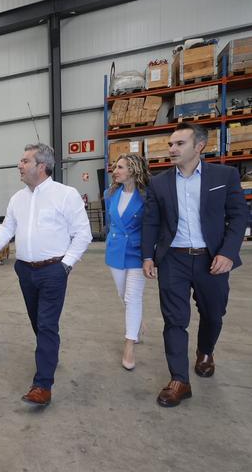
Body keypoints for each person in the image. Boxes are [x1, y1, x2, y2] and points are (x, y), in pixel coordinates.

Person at [142, 122, 246, 408]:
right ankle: (179, 380)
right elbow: (151, 221)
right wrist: (148, 256)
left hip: (211, 258)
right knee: (174, 320)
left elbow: (238, 217)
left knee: (214, 313)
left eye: (179, 144)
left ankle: (205, 350)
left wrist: (227, 252)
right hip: (173, 258)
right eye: (171, 144)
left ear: (199, 146)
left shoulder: (224, 175)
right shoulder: (159, 182)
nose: (172, 148)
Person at [0, 143, 92, 406]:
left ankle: (42, 385)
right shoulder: (18, 198)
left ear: (41, 167)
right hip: (25, 271)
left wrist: (66, 265)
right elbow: (7, 227)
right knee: (37, 321)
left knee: (45, 324)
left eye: (24, 161)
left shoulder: (66, 195)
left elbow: (83, 234)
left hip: (54, 270)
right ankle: (50, 355)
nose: (19, 165)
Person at [104, 153, 151, 370]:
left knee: (132, 297)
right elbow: (112, 224)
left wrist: (152, 254)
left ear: (133, 170)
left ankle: (129, 344)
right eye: (115, 167)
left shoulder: (147, 196)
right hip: (115, 252)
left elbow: (153, 225)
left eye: (120, 167)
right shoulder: (110, 194)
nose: (115, 171)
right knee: (124, 296)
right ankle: (138, 322)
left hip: (137, 252)